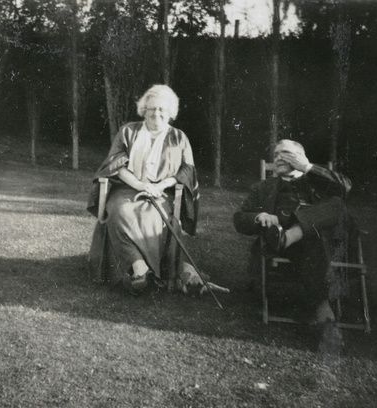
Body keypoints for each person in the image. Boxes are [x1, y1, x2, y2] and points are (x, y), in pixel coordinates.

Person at [87, 84, 203, 295]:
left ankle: (144, 273)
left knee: (154, 219)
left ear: (170, 113)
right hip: (128, 189)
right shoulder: (128, 131)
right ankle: (139, 267)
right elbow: (115, 164)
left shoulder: (179, 138)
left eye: (161, 109)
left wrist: (160, 186)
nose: (156, 114)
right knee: (120, 212)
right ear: (144, 110)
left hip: (161, 193)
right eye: (151, 109)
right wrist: (140, 185)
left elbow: (187, 171)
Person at [233, 139, 356, 327]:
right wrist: (260, 216)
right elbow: (240, 218)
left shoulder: (319, 181)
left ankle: (291, 235)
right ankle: (321, 305)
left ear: (301, 157)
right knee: (314, 236)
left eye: (285, 153)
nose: (278, 158)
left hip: (316, 240)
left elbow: (345, 188)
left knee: (337, 205)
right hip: (284, 247)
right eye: (275, 155)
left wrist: (307, 167)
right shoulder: (263, 187)